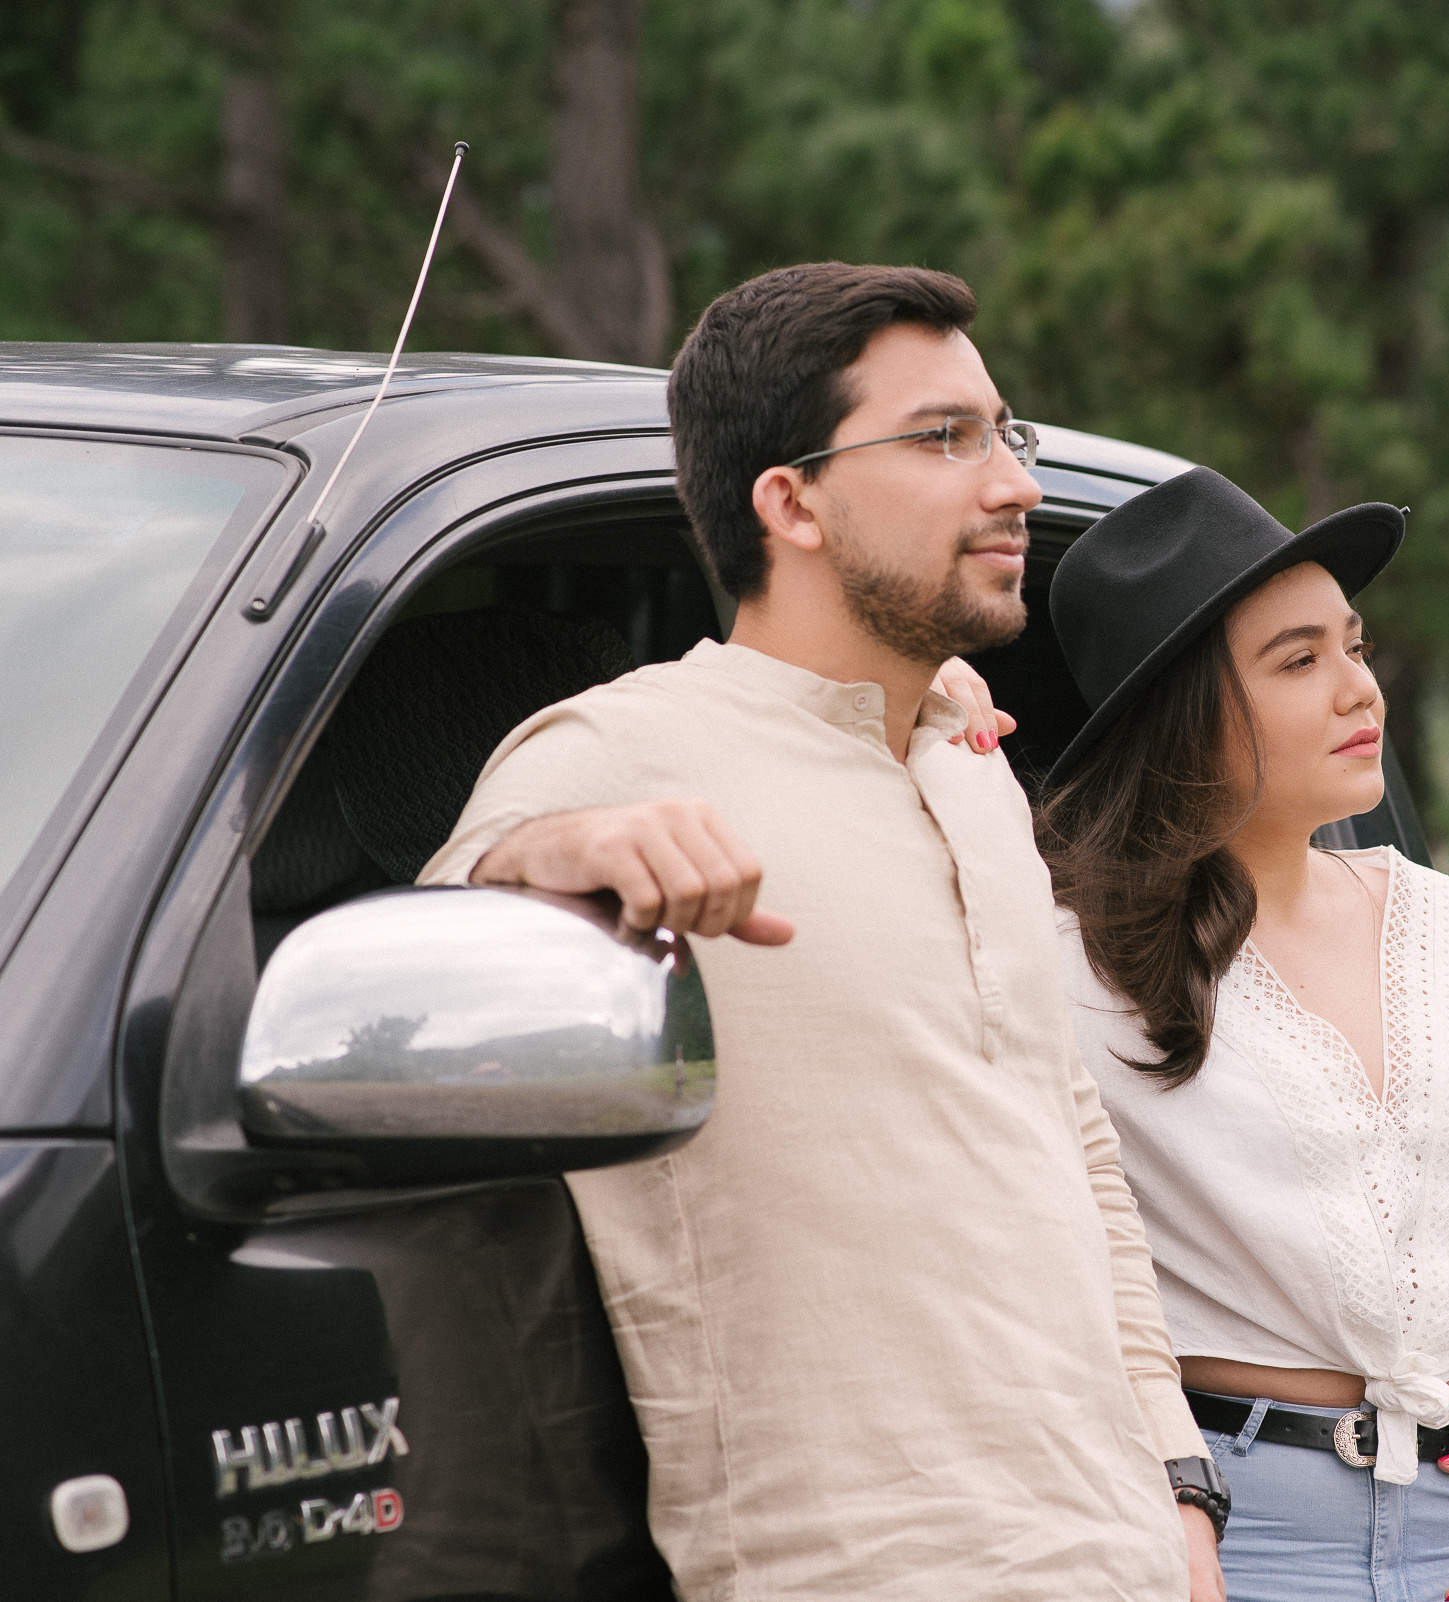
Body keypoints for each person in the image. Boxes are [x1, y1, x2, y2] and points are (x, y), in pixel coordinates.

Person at [418, 262, 1225, 1601]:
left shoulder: (973, 766)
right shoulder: (617, 749)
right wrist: (544, 863)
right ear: (789, 502)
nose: (1015, 484)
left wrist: (1179, 1481)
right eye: (943, 437)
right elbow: (423, 972)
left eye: (1005, 433)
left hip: (1123, 1551)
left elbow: (1071, 1139)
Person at [1035, 468, 1449, 1602]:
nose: (1360, 689)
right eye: (1298, 661)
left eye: (1355, 647)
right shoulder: (1067, 962)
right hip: (1235, 1537)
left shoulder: (1446, 925)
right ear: (1180, 713)